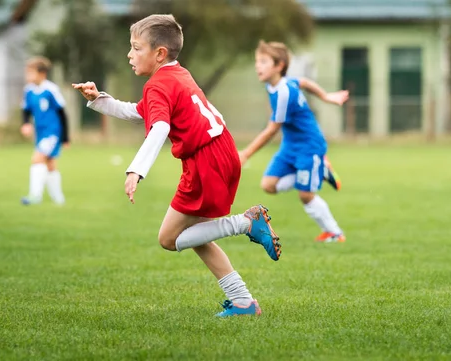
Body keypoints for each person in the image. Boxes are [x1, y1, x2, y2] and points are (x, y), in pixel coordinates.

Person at [73, 14, 280, 317]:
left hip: (205, 161)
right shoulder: (178, 75)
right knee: (196, 234)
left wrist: (136, 169)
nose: (130, 55)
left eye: (135, 48)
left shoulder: (158, 85)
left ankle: (247, 223)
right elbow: (140, 113)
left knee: (169, 239)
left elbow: (159, 128)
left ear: (159, 53)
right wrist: (99, 100)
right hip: (221, 152)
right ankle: (243, 302)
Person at [238, 41, 347, 243]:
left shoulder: (283, 93)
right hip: (290, 146)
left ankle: (335, 233)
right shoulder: (280, 85)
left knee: (305, 195)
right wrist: (326, 96)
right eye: (256, 61)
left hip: (309, 146)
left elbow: (272, 129)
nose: (257, 66)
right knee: (268, 185)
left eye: (263, 61)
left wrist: (245, 153)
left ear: (279, 66)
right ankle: (320, 171)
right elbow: (304, 81)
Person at [20, 56, 69, 206]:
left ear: (42, 73)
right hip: (40, 133)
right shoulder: (28, 91)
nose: (28, 76)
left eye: (31, 73)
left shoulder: (51, 90)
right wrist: (26, 124)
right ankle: (58, 199)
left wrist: (65, 137)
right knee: (50, 164)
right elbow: (25, 110)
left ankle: (35, 196)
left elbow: (62, 113)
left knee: (37, 159)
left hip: (52, 132)